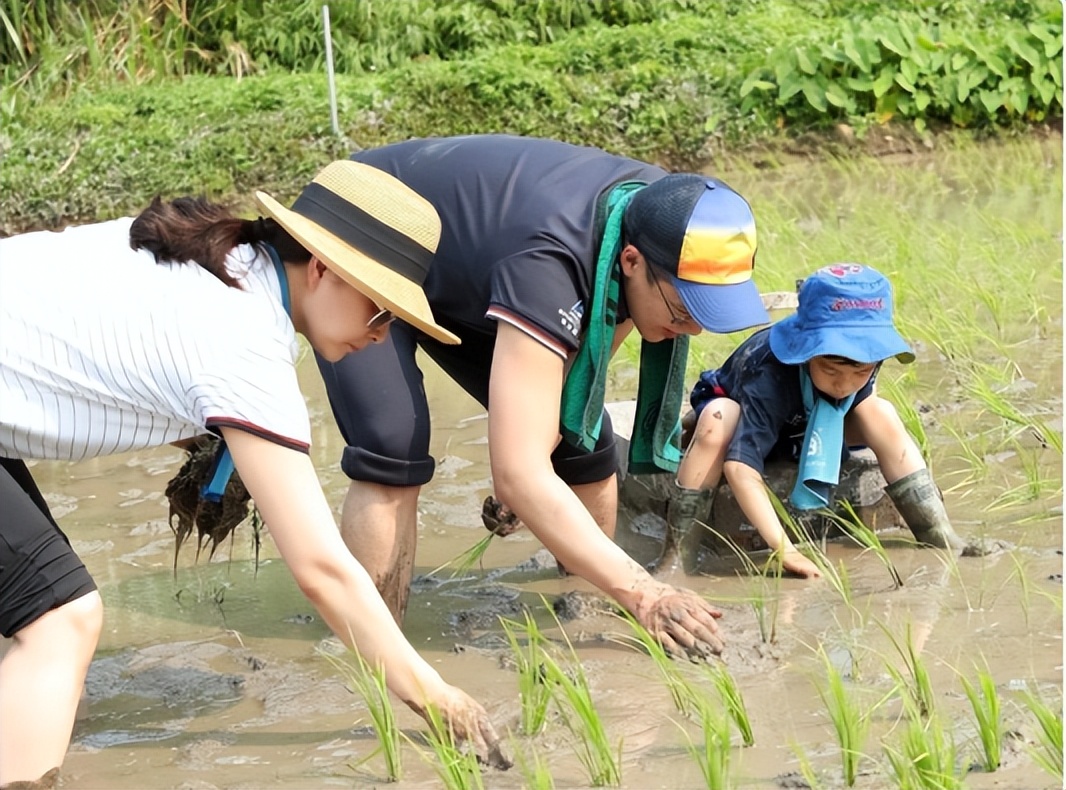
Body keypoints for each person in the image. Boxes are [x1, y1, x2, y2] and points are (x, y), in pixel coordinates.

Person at [0, 160, 508, 789]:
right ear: (322, 269)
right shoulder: (244, 343)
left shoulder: (224, 259)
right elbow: (323, 570)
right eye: (381, 314)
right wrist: (437, 697)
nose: (382, 339)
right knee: (58, 619)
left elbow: (109, 350)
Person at [314, 134, 771, 659]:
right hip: (366, 230)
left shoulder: (663, 212)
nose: (690, 328)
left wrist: (530, 466)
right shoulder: (551, 262)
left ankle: (585, 616)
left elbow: (580, 376)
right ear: (631, 262)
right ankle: (373, 650)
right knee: (392, 442)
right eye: (684, 309)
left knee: (583, 442)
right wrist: (645, 591)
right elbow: (519, 470)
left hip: (473, 263)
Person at [658, 263, 966, 578]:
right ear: (805, 353)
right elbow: (739, 468)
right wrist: (785, 550)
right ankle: (678, 558)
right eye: (831, 371)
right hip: (744, 418)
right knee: (717, 419)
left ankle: (938, 534)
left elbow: (858, 396)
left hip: (805, 425)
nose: (844, 385)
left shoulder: (865, 362)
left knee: (881, 411)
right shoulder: (769, 373)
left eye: (860, 372)